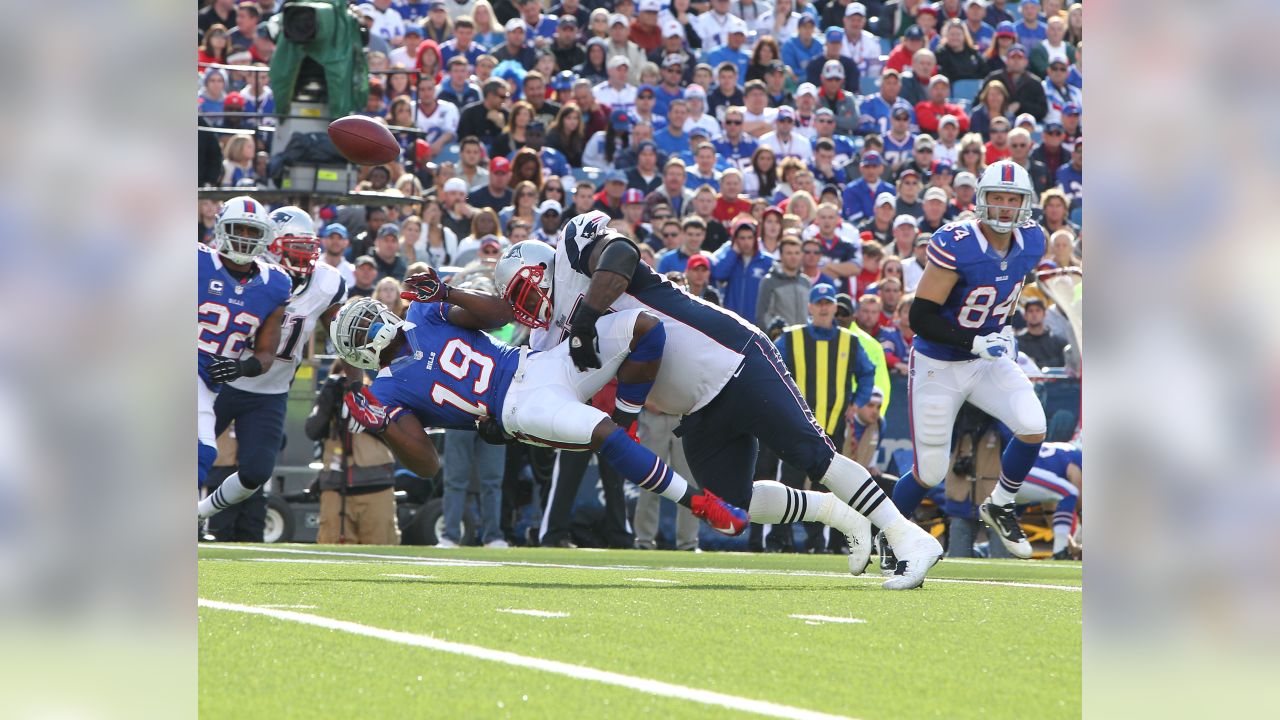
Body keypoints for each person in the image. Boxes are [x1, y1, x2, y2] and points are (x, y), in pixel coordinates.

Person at [498, 211, 944, 587]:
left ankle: (909, 538)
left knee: (814, 455)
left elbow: (621, 253)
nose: (530, 303)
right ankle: (838, 514)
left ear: (545, 268)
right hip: (696, 409)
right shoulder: (546, 342)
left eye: (527, 287)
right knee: (735, 503)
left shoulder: (577, 251)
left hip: (734, 359)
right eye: (518, 300)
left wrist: (586, 319)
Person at [333, 269, 749, 538]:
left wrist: (449, 291)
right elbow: (427, 464)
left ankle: (627, 421)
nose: (372, 327)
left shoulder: (425, 313)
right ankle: (699, 503)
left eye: (367, 317)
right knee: (600, 434)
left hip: (535, 364)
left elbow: (502, 315)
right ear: (358, 353)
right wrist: (382, 425)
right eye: (361, 330)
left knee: (644, 329)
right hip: (516, 409)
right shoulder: (383, 393)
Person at [886, 160, 1048, 569]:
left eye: (1013, 199)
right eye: (998, 197)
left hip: (986, 361)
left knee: (1033, 425)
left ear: (1025, 204)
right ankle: (887, 532)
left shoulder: (1032, 240)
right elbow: (920, 317)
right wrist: (974, 339)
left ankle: (1000, 504)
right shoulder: (956, 241)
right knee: (931, 471)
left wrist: (1002, 330)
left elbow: (1002, 292)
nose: (1005, 206)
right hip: (941, 363)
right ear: (981, 199)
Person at [765, 283, 882, 552]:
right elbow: (772, 370)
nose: (824, 308)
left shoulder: (849, 341)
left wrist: (858, 402)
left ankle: (817, 542)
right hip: (796, 426)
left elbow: (867, 372)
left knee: (825, 487)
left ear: (834, 307)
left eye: (828, 303)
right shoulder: (792, 337)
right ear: (810, 307)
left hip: (833, 426)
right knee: (789, 484)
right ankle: (778, 540)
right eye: (819, 303)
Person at [196, 197, 292, 510]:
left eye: (252, 232)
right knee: (200, 451)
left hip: (208, 383)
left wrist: (242, 368)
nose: (245, 238)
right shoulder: (195, 260)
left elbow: (266, 353)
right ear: (222, 228)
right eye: (239, 229)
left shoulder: (275, 284)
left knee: (201, 454)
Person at [1015, 441, 1081, 560]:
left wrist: (1072, 545)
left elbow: (1050, 514)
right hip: (1022, 475)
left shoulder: (1058, 456)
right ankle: (1061, 552)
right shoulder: (1077, 457)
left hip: (1009, 476)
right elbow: (1079, 500)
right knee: (1070, 493)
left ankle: (1062, 550)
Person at [711, 218, 774, 322]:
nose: (746, 242)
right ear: (735, 239)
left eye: (750, 238)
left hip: (757, 322)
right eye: (742, 238)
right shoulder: (731, 259)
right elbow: (718, 274)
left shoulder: (767, 261)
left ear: (755, 239)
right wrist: (733, 252)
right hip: (733, 321)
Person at [977, 43, 1047, 122]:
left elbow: (1042, 110)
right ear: (1006, 60)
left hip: (1025, 125)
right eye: (1012, 57)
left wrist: (1021, 106)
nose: (1016, 61)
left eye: (1020, 58)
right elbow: (979, 101)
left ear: (1026, 61)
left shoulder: (1035, 82)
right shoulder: (993, 78)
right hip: (994, 123)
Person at [755, 236, 811, 333]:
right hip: (780, 343)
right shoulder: (768, 281)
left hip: (804, 342)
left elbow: (810, 314)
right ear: (781, 255)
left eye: (797, 253)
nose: (793, 257)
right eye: (789, 253)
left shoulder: (806, 282)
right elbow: (762, 317)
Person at [457, 79, 511, 152]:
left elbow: (511, 142)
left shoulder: (506, 114)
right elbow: (463, 139)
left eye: (506, 96)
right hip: (474, 154)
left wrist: (503, 127)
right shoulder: (470, 112)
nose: (504, 100)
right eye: (502, 96)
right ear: (490, 95)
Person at [841, 151, 894, 223]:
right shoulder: (850, 190)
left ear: (881, 168)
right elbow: (856, 219)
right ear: (861, 168)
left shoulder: (890, 190)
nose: (871, 170)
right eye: (867, 166)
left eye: (874, 166)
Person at [1018, 297, 1068, 369]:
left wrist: (1037, 364)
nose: (1034, 314)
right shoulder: (1018, 343)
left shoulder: (1059, 342)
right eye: (1030, 311)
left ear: (1044, 314)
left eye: (1038, 310)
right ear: (1025, 316)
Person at [805, 28, 859, 94]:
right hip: (820, 101)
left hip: (844, 101)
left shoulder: (850, 64)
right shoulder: (814, 64)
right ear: (826, 43)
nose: (835, 46)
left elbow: (854, 89)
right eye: (832, 43)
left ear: (841, 44)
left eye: (837, 43)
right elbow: (812, 89)